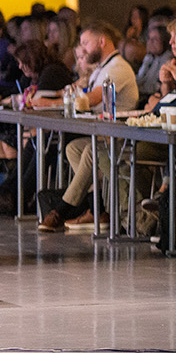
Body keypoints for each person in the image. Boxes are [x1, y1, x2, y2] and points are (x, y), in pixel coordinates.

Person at [34, 21, 140, 233]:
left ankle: (61, 210)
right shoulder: (102, 68)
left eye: (86, 43)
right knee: (73, 148)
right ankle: (96, 209)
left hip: (122, 136)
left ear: (102, 41)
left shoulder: (117, 67)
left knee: (91, 150)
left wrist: (50, 103)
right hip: (105, 132)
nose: (83, 49)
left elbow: (90, 99)